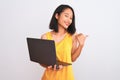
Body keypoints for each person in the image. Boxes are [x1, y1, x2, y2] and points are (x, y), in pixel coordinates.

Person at [40, 4, 88, 80]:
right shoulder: (45, 37)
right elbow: (42, 62)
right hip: (48, 77)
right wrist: (51, 66)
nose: (69, 20)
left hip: (67, 77)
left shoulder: (72, 36)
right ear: (57, 16)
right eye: (66, 16)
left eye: (71, 18)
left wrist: (81, 45)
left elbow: (72, 58)